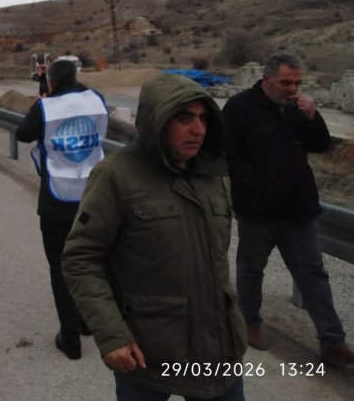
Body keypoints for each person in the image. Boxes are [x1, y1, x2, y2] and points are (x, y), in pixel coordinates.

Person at [63, 74, 247, 400]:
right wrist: (111, 334)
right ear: (156, 121)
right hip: (148, 354)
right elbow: (81, 258)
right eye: (184, 118)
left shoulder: (214, 174)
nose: (199, 130)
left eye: (204, 118)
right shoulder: (116, 175)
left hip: (219, 352)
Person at [222, 53, 354, 366]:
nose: (292, 89)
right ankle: (250, 323)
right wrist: (254, 191)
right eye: (285, 82)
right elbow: (230, 156)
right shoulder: (240, 108)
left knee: (313, 276)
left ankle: (333, 343)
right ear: (266, 79)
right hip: (258, 213)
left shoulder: (298, 109)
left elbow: (321, 145)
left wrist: (313, 116)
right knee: (251, 270)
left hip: (300, 211)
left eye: (296, 83)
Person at [16, 59, 108, 360]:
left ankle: (70, 339)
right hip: (95, 197)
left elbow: (23, 134)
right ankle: (87, 323)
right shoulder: (96, 100)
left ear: (50, 83)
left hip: (57, 202)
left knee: (61, 268)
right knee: (92, 264)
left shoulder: (46, 107)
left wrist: (44, 101)